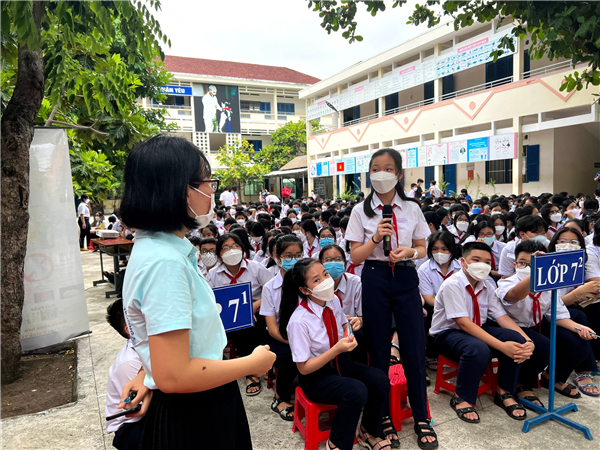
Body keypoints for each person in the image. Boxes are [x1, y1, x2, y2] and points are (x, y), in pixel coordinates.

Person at [119, 135, 275, 449]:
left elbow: (167, 350)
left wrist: (148, 375)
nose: (211, 192)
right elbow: (175, 375)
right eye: (206, 183)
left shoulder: (161, 250)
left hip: (200, 391)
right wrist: (251, 364)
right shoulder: (164, 263)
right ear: (180, 189)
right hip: (193, 409)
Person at [345, 148, 437, 449]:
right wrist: (375, 238)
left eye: (387, 168)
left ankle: (423, 416)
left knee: (413, 347)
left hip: (406, 276)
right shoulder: (361, 211)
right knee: (378, 350)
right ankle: (381, 414)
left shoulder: (412, 208)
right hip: (375, 276)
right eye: (375, 168)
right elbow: (355, 257)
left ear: (398, 174)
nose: (380, 174)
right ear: (369, 174)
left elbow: (423, 248)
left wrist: (410, 252)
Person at [280, 258, 392, 450]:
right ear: (305, 290)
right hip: (316, 377)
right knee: (356, 391)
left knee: (380, 379)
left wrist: (350, 328)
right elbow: (304, 368)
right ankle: (337, 443)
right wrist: (336, 350)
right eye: (316, 280)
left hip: (341, 364)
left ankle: (368, 431)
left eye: (324, 274)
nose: (326, 280)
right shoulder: (299, 321)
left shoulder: (333, 301)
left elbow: (341, 324)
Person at [430, 242, 534, 424]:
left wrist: (527, 339)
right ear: (463, 262)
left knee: (516, 339)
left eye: (487, 262)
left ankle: (504, 391)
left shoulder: (487, 284)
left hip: (477, 328)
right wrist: (502, 347)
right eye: (476, 260)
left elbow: (501, 317)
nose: (482, 265)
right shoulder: (452, 285)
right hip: (448, 334)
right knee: (478, 349)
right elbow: (463, 324)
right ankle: (462, 397)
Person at [496, 240, 598, 401]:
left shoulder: (548, 286)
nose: (528, 267)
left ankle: (552, 378)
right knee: (542, 346)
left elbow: (557, 315)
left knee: (578, 344)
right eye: (523, 263)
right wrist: (535, 273)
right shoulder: (507, 283)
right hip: (511, 328)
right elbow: (515, 295)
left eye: (534, 264)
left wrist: (580, 328)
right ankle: (522, 383)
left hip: (535, 324)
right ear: (515, 265)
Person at [209, 233, 274, 395]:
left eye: (235, 246)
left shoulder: (256, 268)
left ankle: (251, 371)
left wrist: (252, 308)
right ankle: (251, 365)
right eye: (225, 248)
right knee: (238, 327)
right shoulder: (213, 275)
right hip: (226, 317)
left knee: (250, 326)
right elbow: (209, 300)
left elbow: (271, 291)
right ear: (219, 254)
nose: (231, 251)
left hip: (256, 312)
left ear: (243, 249)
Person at [260, 234, 304, 421]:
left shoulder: (307, 281)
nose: (293, 259)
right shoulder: (270, 288)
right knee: (291, 355)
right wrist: (294, 342)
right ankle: (280, 398)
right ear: (277, 258)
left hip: (304, 334)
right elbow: (271, 328)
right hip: (280, 336)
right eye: (288, 255)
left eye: (298, 255)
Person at [105, 299, 146, 450]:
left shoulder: (144, 348)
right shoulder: (130, 362)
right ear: (129, 329)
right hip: (129, 427)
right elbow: (140, 406)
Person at [418, 231, 462, 368]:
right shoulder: (424, 269)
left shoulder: (460, 267)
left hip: (460, 304)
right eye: (435, 249)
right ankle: (431, 353)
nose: (440, 253)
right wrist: (449, 306)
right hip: (436, 304)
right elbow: (429, 298)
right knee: (430, 314)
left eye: (444, 249)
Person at [319, 244, 366, 364]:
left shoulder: (355, 282)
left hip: (350, 330)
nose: (333, 263)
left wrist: (359, 321)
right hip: (323, 330)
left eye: (338, 259)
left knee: (360, 337)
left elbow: (361, 315)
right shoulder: (315, 285)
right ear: (320, 264)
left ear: (345, 263)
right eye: (328, 260)